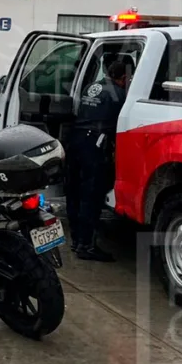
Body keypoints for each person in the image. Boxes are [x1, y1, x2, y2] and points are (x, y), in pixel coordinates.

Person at [66, 56, 133, 262]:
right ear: (124, 77)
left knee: (75, 193)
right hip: (95, 145)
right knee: (91, 196)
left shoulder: (91, 87)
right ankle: (86, 246)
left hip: (76, 140)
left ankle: (76, 240)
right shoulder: (120, 95)